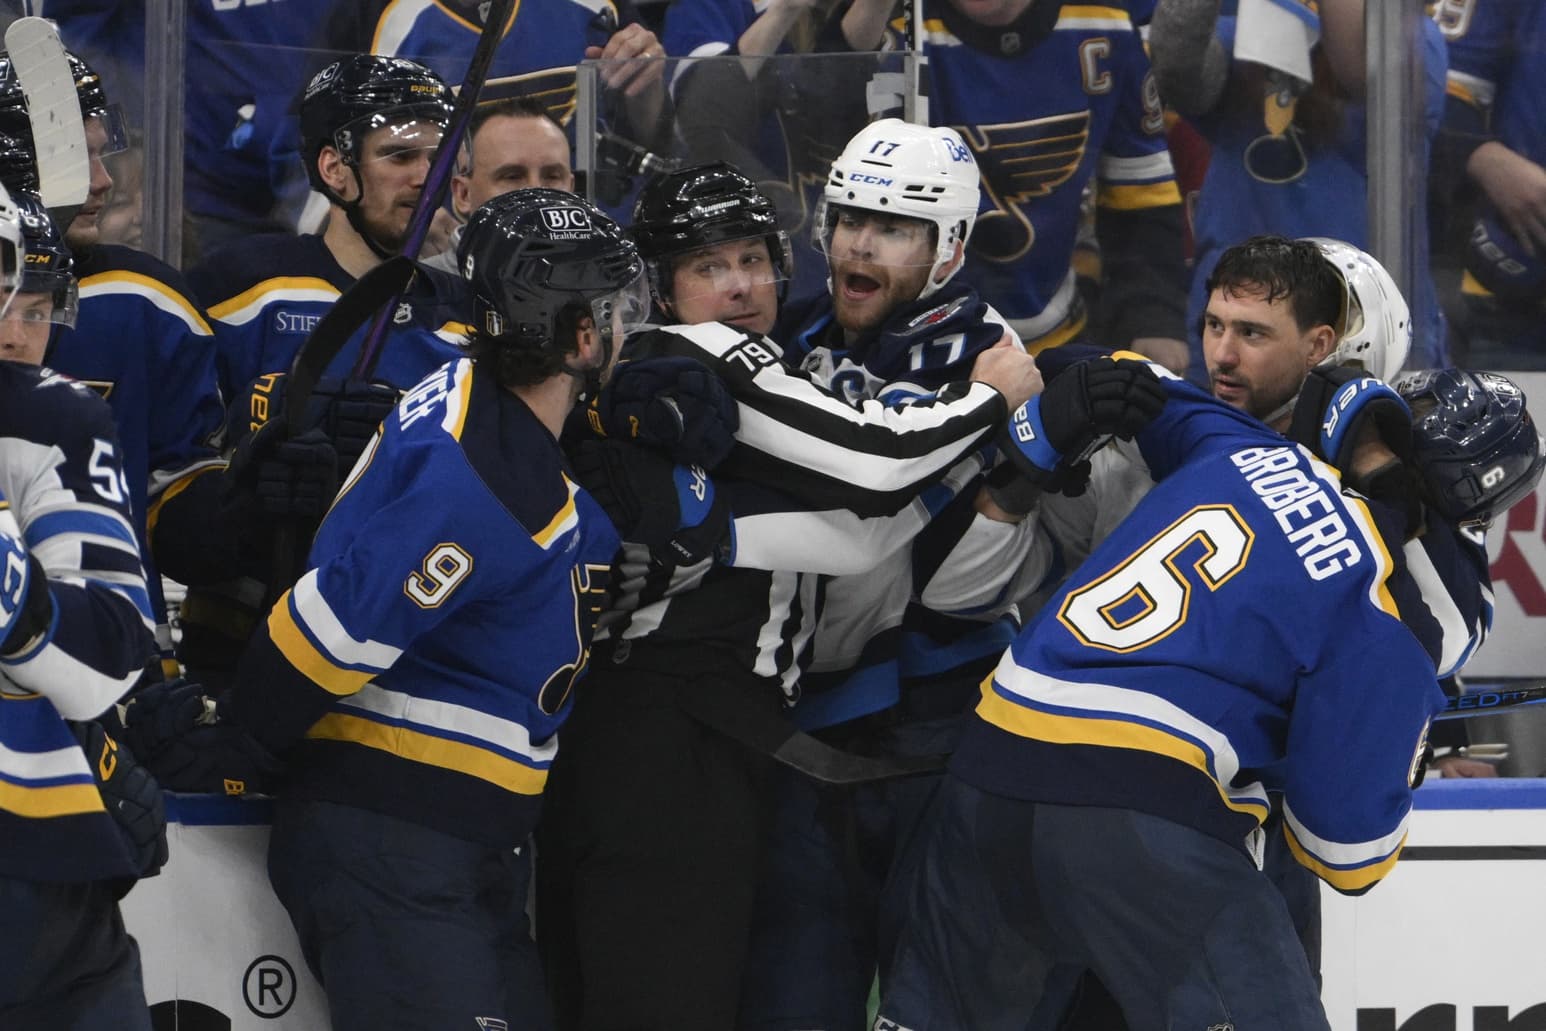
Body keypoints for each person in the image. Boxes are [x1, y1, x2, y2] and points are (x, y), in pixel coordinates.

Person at [536, 159, 1049, 1031]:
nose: (739, 287)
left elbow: (857, 533)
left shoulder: (739, 358)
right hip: (667, 741)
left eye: (752, 259)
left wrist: (720, 539)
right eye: (708, 267)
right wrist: (989, 403)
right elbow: (879, 461)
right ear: (662, 287)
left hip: (682, 741)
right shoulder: (700, 351)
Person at [127, 189, 654, 1031]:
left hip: (455, 843)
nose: (626, 325)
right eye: (614, 307)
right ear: (581, 335)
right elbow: (332, 629)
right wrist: (239, 740)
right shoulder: (486, 481)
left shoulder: (475, 397)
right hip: (397, 840)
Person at [875, 341, 1448, 1028]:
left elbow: (1106, 367)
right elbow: (1345, 854)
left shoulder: (1237, 445)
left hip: (989, 763)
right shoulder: (1384, 604)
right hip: (1144, 814)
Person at [0, 52, 228, 672]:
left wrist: (249, 501)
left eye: (103, 154)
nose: (104, 181)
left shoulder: (148, 303)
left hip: (110, 655)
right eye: (80, 158)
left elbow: (176, 489)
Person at [0, 181, 164, 1030]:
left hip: (36, 862)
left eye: (35, 306)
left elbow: (110, 653)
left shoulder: (55, 419)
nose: (16, 332)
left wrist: (16, 601)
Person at [835, 0, 1191, 371]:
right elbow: (820, 146)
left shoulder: (1106, 23)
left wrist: (1154, 315)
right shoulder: (889, 21)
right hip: (904, 346)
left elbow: (1139, 191)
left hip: (1052, 338)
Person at [1149, 0, 1450, 374]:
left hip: (1365, 330)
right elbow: (1177, 67)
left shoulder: (1414, 44)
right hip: (1241, 333)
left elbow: (1360, 68)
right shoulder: (1246, 34)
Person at [189, 53, 470, 402]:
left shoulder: (465, 310)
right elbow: (181, 445)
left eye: (437, 159)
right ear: (334, 168)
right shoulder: (242, 291)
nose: (426, 178)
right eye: (400, 156)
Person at [421, 96, 575, 275]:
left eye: (552, 177)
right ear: (464, 194)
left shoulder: (607, 290)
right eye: (512, 177)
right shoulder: (414, 293)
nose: (537, 194)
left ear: (571, 190)